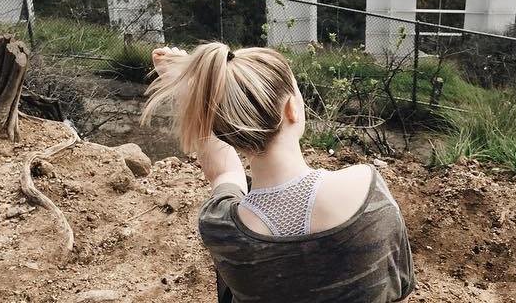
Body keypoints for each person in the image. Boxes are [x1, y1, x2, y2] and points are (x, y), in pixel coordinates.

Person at [142, 43, 414, 303]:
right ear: (291, 108)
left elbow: (223, 170)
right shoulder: (369, 191)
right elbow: (398, 291)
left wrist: (193, 93)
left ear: (224, 130)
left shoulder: (220, 226)